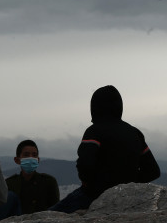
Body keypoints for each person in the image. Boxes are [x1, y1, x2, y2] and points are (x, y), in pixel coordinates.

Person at [50, 85, 160, 213]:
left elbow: (85, 163)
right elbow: (153, 171)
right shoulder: (135, 133)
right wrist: (129, 184)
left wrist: (92, 186)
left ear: (94, 107)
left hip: (92, 196)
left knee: (48, 216)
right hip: (128, 198)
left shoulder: (94, 131)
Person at [5, 139, 60, 214]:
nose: (31, 158)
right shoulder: (9, 184)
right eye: (26, 155)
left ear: (38, 160)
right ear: (17, 160)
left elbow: (56, 211)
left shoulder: (49, 182)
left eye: (34, 155)